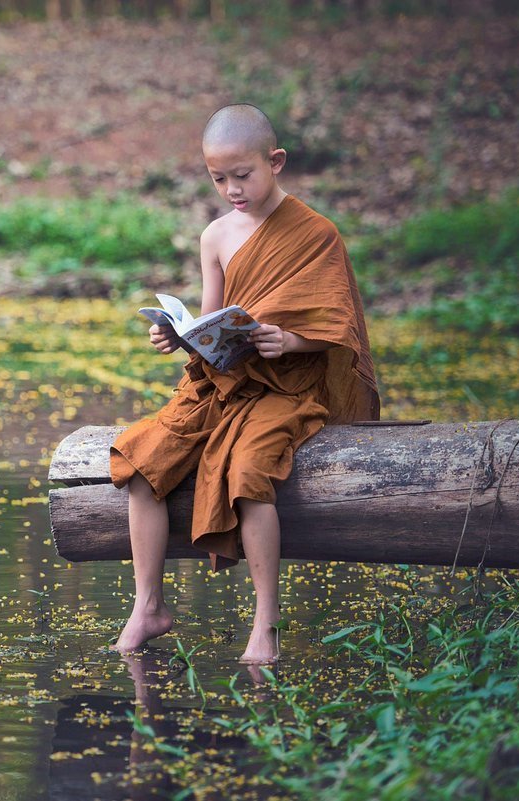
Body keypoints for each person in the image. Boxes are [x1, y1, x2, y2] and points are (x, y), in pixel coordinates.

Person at [108, 103, 380, 664]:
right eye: (218, 179)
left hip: (287, 386)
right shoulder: (216, 236)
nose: (232, 188)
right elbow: (212, 319)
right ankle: (148, 606)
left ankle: (266, 624)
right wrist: (179, 338)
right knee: (138, 460)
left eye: (243, 175)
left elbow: (337, 325)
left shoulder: (316, 234)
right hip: (225, 379)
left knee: (249, 470)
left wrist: (290, 341)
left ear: (275, 162)